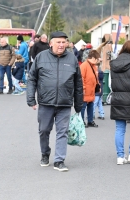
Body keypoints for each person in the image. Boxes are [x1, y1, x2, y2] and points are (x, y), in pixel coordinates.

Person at [27, 31, 83, 172]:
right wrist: (31, 99)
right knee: (44, 130)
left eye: (64, 42)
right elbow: (32, 78)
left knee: (62, 132)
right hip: (46, 102)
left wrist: (78, 104)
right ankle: (45, 153)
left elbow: (78, 83)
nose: (61, 45)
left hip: (65, 103)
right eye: (58, 42)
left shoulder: (72, 59)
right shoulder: (41, 57)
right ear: (51, 43)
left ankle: (59, 160)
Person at [80, 50, 101, 128]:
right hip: (86, 91)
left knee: (90, 106)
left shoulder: (94, 66)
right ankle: (81, 121)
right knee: (83, 107)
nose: (98, 60)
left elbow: (96, 78)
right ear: (92, 58)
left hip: (91, 90)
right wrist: (83, 88)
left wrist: (98, 85)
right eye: (97, 59)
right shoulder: (84, 66)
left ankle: (90, 121)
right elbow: (81, 78)